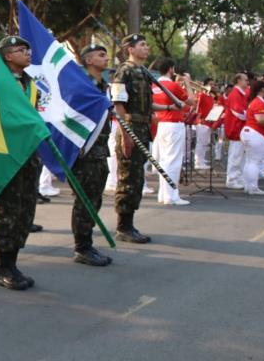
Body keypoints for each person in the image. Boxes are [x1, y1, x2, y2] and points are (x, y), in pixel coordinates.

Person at [0, 35, 40, 289]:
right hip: (7, 153)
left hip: (29, 154)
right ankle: (3, 267)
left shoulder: (31, 83)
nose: (27, 53)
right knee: (8, 211)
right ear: (7, 56)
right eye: (21, 50)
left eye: (28, 49)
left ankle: (14, 262)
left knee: (25, 210)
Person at [70, 44, 114, 267]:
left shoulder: (103, 85)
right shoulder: (82, 83)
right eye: (101, 55)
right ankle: (82, 247)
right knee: (85, 200)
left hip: (100, 149)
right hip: (85, 150)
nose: (106, 59)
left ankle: (87, 242)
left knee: (94, 198)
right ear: (88, 60)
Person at [110, 33, 153, 244]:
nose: (147, 48)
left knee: (137, 177)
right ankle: (123, 226)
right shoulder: (124, 71)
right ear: (131, 49)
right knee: (128, 177)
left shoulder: (143, 72)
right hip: (131, 127)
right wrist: (126, 134)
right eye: (142, 45)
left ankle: (129, 223)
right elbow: (118, 103)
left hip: (143, 127)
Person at [151, 58, 194, 206]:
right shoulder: (172, 85)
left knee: (164, 160)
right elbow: (191, 101)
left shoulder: (154, 85)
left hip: (161, 124)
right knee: (173, 162)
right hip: (173, 125)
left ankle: (163, 194)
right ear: (171, 69)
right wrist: (187, 82)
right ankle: (171, 195)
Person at [223, 73, 249, 188]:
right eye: (245, 80)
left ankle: (238, 177)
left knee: (240, 155)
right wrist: (249, 115)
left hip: (239, 128)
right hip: (235, 128)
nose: (247, 82)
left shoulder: (240, 94)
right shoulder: (235, 94)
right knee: (236, 155)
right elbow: (238, 112)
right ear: (238, 80)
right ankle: (232, 179)